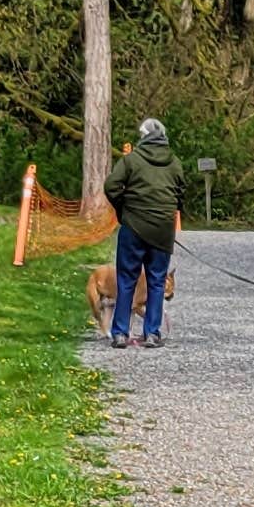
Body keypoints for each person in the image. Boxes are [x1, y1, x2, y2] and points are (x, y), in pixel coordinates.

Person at [104, 116, 184, 348]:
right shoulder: (174, 162)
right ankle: (152, 334)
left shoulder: (132, 160)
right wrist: (169, 213)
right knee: (157, 281)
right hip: (162, 230)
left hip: (133, 228)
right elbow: (181, 193)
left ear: (143, 137)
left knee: (127, 279)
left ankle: (120, 333)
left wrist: (123, 208)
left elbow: (111, 186)